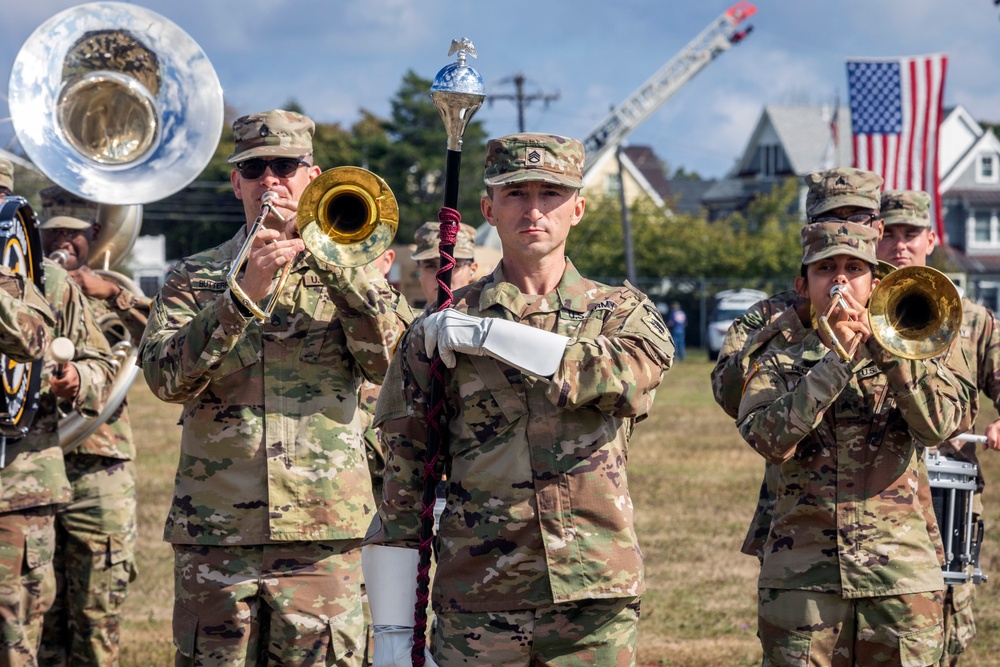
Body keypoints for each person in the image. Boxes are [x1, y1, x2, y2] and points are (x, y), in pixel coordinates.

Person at [361, 133, 674, 666]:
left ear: (578, 206)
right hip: (479, 597)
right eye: (515, 194)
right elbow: (403, 484)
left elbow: (620, 376)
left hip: (592, 598)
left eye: (550, 194)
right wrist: (392, 634)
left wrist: (490, 337)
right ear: (487, 208)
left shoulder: (622, 312)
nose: (533, 209)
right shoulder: (436, 330)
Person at [137, 109, 413, 667]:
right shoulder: (194, 277)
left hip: (323, 531)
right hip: (217, 533)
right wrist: (239, 298)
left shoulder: (353, 274)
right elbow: (164, 379)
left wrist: (339, 268)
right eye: (255, 168)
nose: (271, 180)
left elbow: (396, 368)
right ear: (236, 181)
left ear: (312, 177)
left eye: (285, 166)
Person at [738, 221, 975, 665]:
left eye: (854, 268)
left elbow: (938, 427)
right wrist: (833, 365)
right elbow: (767, 438)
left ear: (877, 283)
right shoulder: (776, 358)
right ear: (803, 286)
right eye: (825, 268)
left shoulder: (917, 349)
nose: (841, 279)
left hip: (899, 576)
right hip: (804, 581)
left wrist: (887, 351)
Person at [711, 167, 887, 561]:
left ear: (877, 224)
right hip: (800, 517)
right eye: (829, 220)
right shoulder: (773, 313)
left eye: (855, 218)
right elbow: (729, 394)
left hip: (888, 526)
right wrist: (800, 321)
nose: (843, 228)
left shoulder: (907, 306)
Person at [877, 189, 1000, 666]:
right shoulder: (848, 313)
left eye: (911, 235)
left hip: (948, 496)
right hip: (877, 495)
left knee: (942, 629)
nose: (900, 247)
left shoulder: (972, 319)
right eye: (889, 235)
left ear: (932, 239)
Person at [0, 158, 115, 666]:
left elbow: (101, 365)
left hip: (17, 491)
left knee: (16, 640)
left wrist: (77, 380)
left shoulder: (47, 279)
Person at [36, 186, 149, 667]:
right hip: (34, 463)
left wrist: (116, 294)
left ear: (96, 233)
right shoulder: (23, 285)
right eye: (53, 231)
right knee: (37, 609)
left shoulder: (110, 288)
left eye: (75, 233)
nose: (64, 240)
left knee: (97, 607)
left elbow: (165, 343)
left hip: (98, 468)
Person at [411, 221, 479, 306]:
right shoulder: (407, 319)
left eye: (453, 265)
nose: (441, 276)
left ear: (472, 270)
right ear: (418, 270)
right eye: (431, 266)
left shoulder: (488, 318)